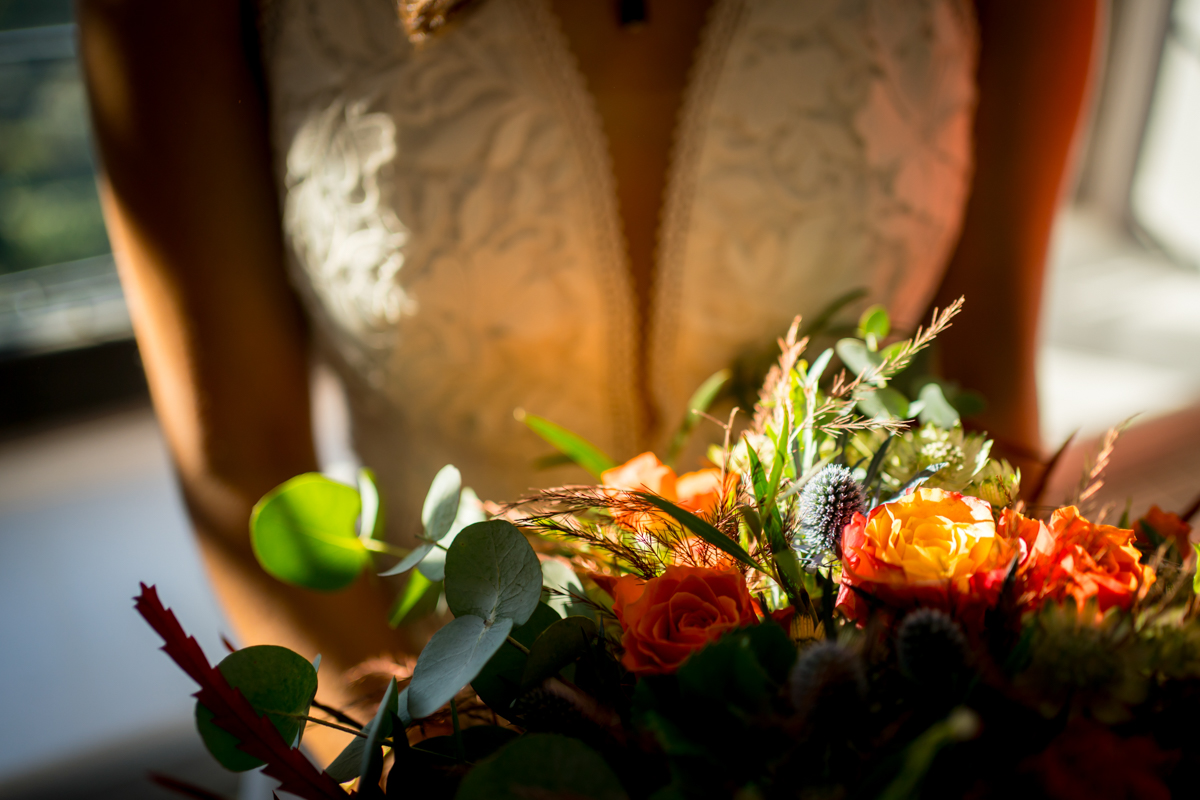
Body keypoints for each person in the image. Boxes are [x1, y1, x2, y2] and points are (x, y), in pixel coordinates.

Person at [78, 0, 1100, 760]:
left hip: (848, 736)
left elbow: (980, 387)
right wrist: (420, 764)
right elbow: (244, 460)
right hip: (415, 737)